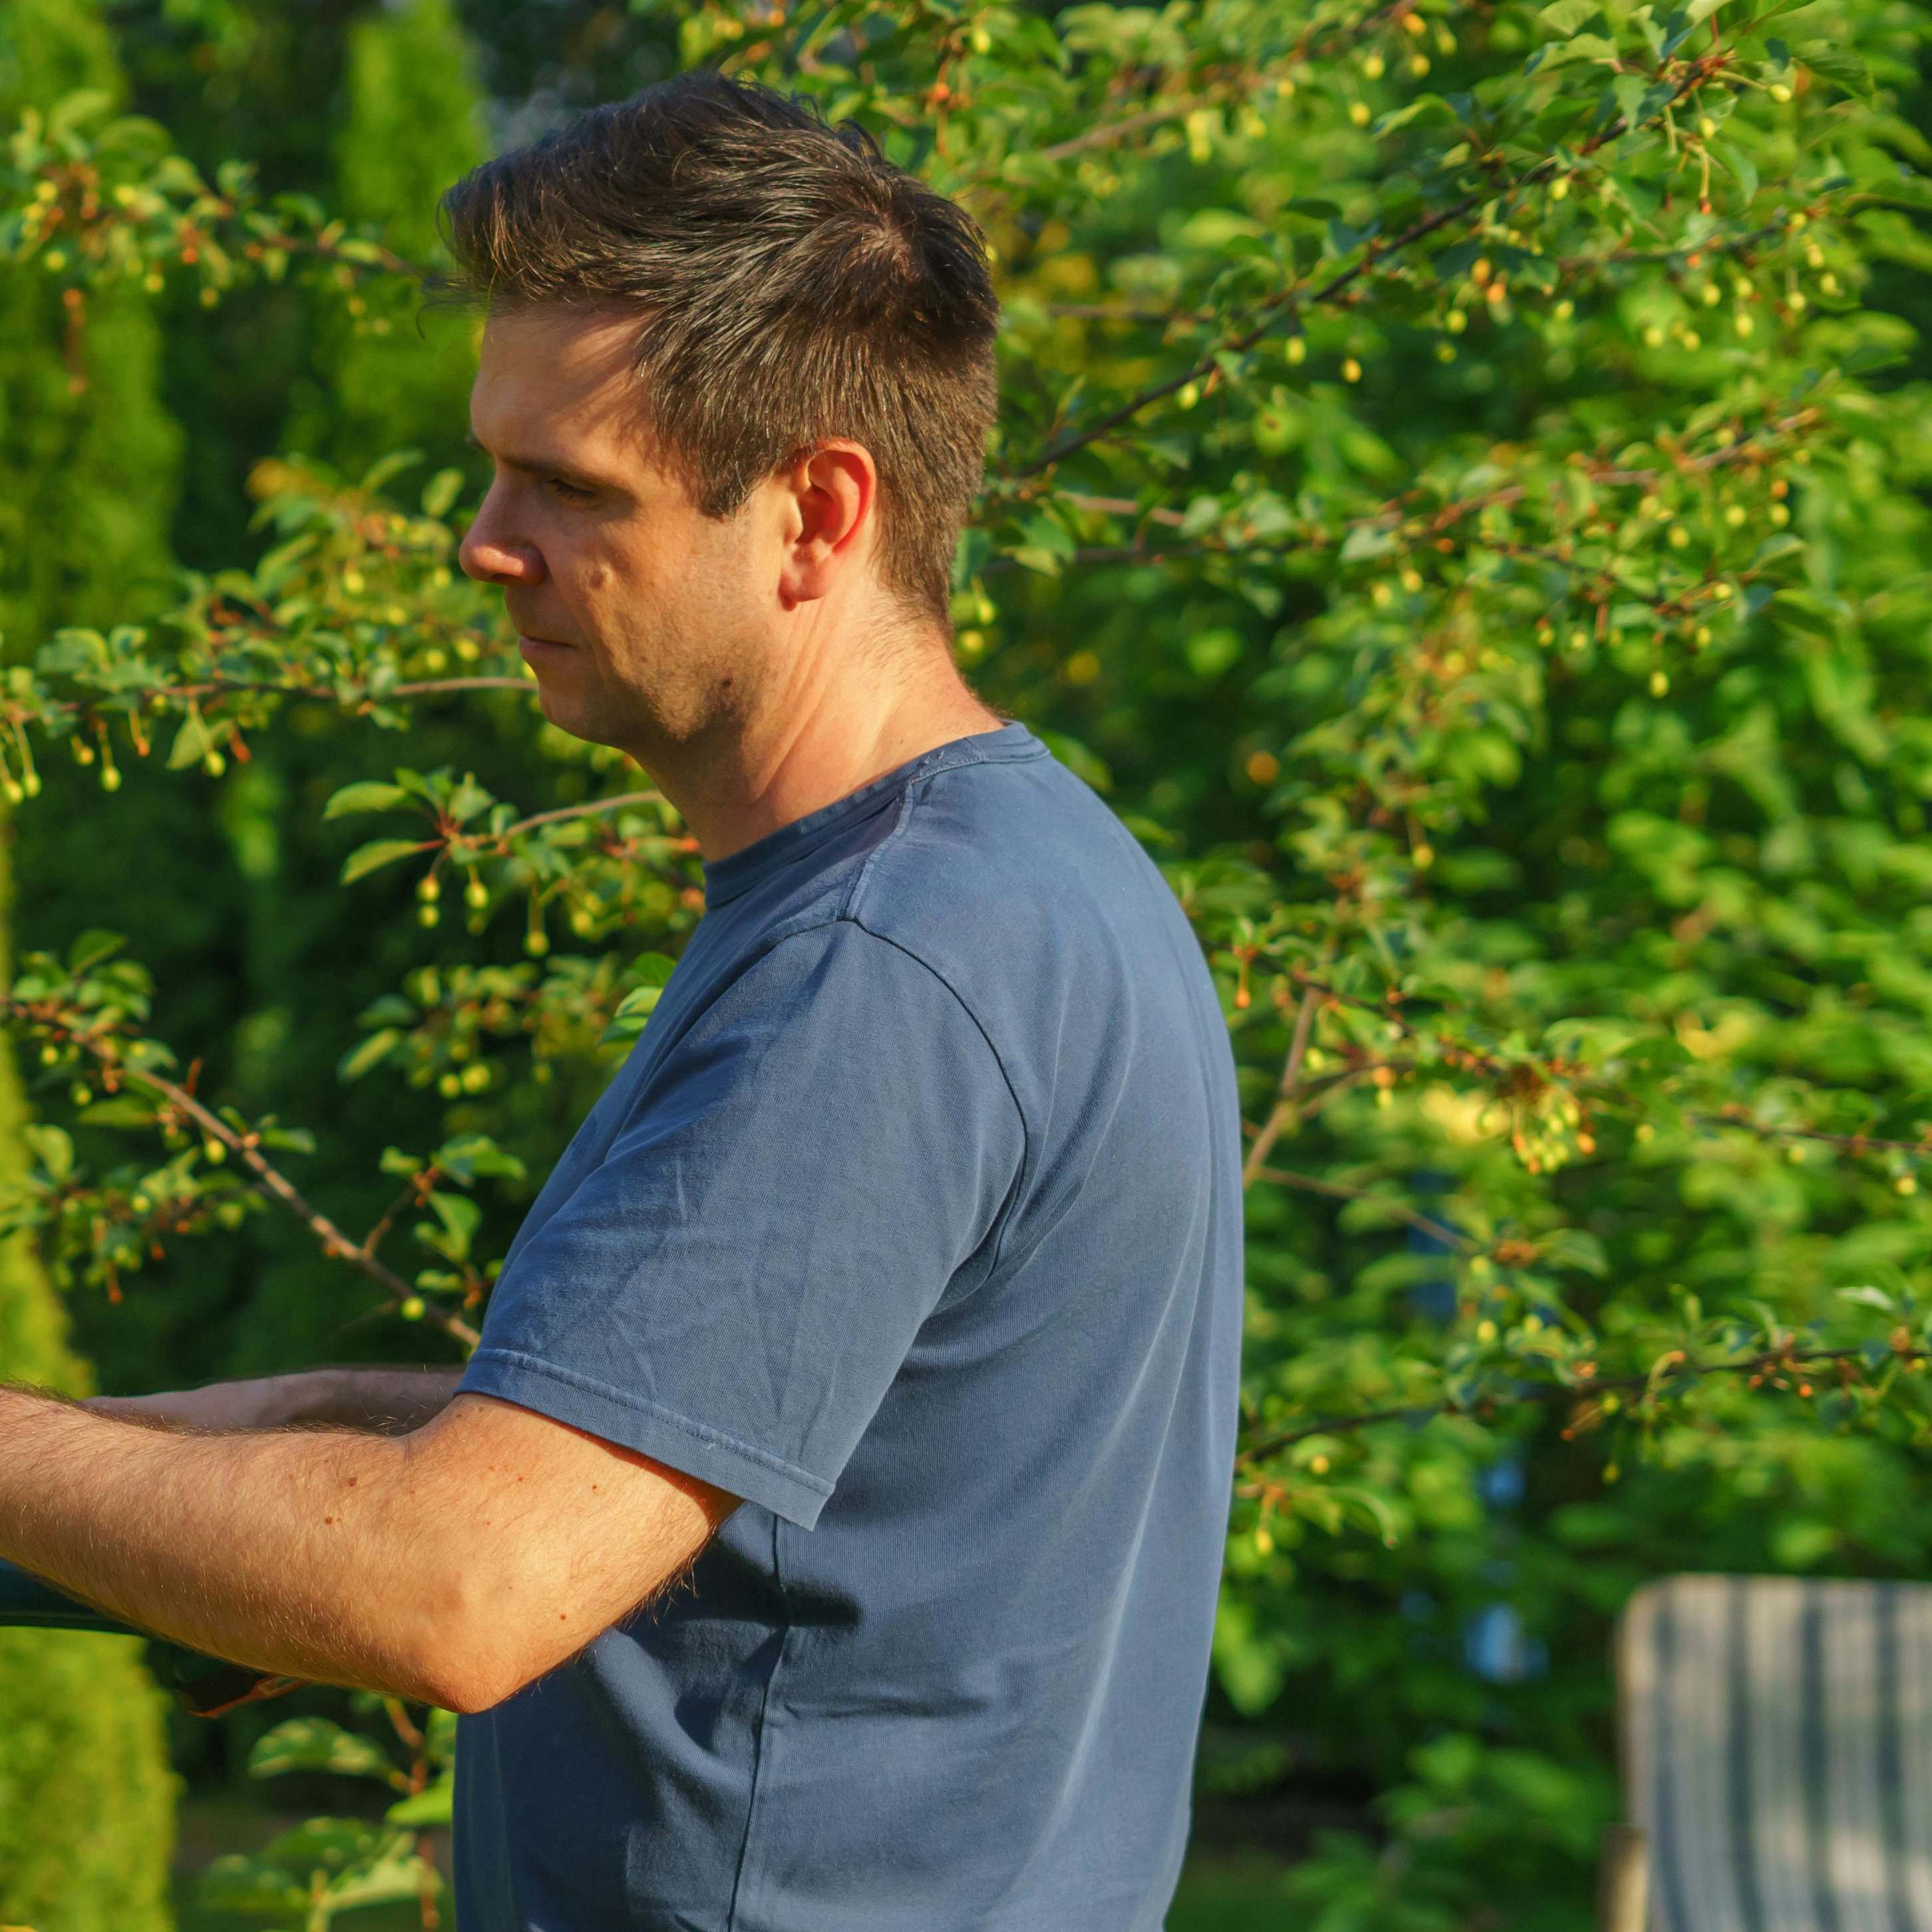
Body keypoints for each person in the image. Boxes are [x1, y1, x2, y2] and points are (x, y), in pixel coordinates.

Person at [6, 69, 1245, 1931]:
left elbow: (462, 1582)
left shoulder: (888, 966)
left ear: (818, 516)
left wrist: (356, 1533)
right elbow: (682, 1448)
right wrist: (223, 1499)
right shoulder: (1021, 883)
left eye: (573, 490)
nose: (483, 543)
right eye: (495, 465)